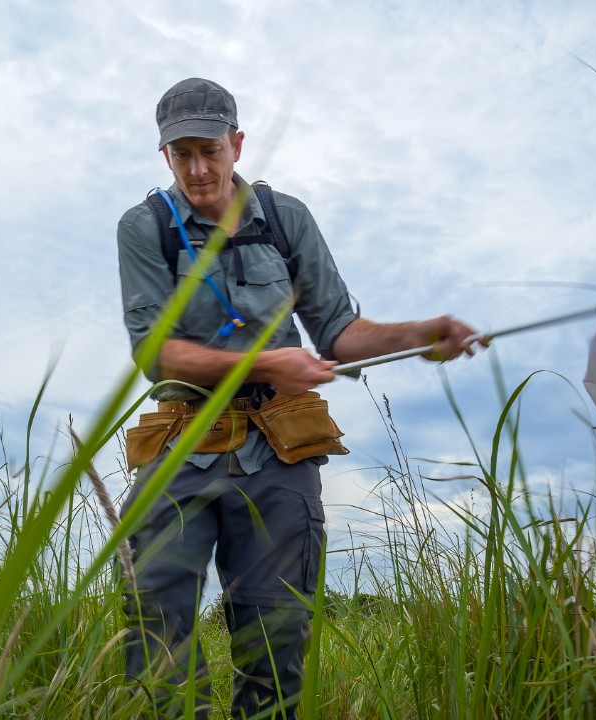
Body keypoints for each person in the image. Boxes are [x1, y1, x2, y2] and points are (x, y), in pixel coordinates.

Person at [116, 77, 483, 719]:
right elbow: (155, 351)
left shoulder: (287, 219)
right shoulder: (144, 226)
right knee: (153, 614)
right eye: (182, 155)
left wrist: (421, 333)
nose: (199, 169)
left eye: (210, 150)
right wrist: (266, 361)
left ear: (237, 143)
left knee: (276, 630)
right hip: (181, 440)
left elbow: (339, 332)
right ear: (164, 156)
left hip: (279, 448)